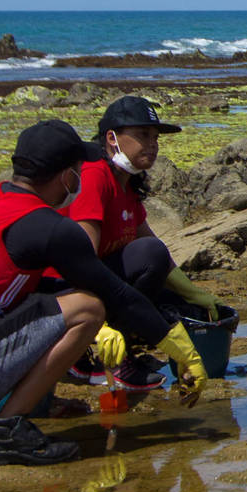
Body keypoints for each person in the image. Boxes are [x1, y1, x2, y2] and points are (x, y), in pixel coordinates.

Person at [0, 120, 205, 469]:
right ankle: (3, 432)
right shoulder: (47, 227)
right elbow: (114, 293)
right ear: (66, 177)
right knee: (87, 309)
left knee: (31, 302)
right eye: (77, 169)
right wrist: (180, 347)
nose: (81, 177)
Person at [65, 95, 220, 387]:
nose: (152, 144)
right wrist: (97, 326)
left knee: (169, 293)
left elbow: (150, 242)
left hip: (101, 286)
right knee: (150, 255)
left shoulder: (127, 183)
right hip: (66, 292)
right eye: (143, 135)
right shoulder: (95, 176)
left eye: (155, 137)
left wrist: (194, 292)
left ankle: (127, 348)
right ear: (112, 138)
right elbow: (79, 259)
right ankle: (102, 357)